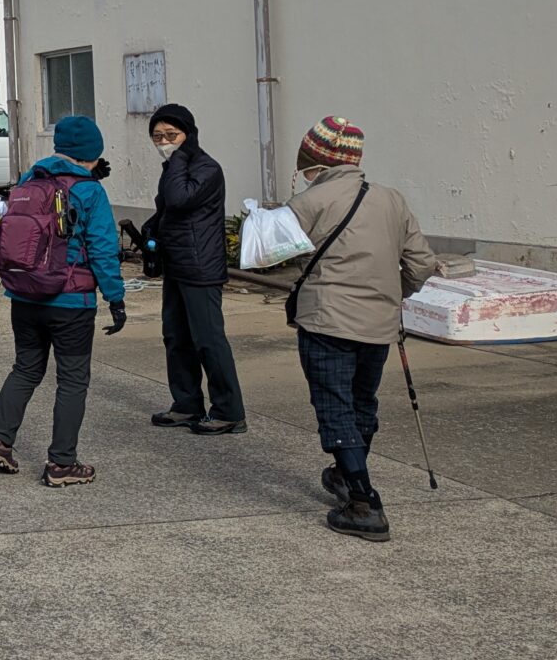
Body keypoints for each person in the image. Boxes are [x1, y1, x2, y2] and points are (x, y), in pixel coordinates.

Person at [285, 116, 439, 542]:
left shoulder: (307, 203)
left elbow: (269, 254)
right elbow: (422, 264)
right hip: (380, 323)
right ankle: (344, 473)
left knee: (334, 407)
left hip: (326, 320)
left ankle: (363, 501)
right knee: (361, 402)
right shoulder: (393, 199)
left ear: (312, 160)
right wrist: (395, 293)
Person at [0, 114, 127, 487]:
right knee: (73, 380)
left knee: (26, 369)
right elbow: (103, 249)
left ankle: (0, 441)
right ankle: (62, 463)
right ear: (94, 152)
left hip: (24, 294)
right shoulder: (90, 190)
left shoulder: (31, 180)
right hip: (70, 301)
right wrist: (116, 298)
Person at [144, 104, 248, 435]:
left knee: (208, 339)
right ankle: (186, 404)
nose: (164, 142)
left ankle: (229, 410)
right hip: (177, 264)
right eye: (158, 136)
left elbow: (177, 199)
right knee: (176, 337)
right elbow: (168, 211)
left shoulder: (206, 168)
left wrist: (177, 158)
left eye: (171, 135)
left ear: (188, 135)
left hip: (201, 266)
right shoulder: (178, 167)